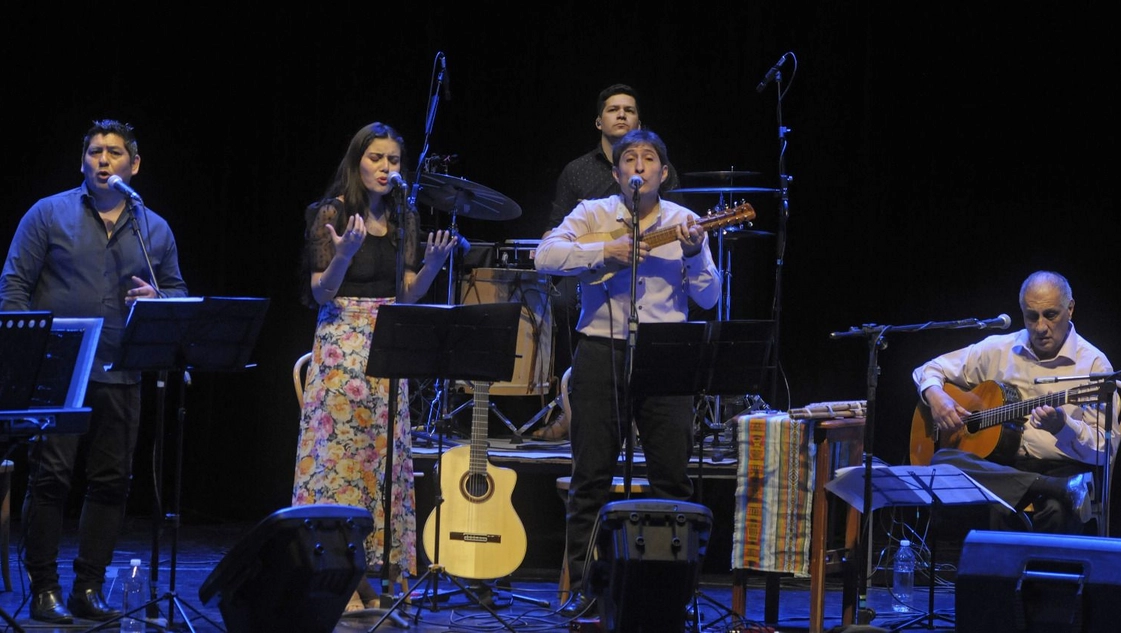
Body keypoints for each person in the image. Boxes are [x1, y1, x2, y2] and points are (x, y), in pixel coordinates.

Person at [0, 119, 188, 624]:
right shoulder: (48, 213)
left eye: (115, 152)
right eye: (95, 152)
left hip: (121, 367)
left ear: (134, 164)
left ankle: (89, 587)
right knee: (51, 479)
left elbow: (176, 292)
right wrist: (27, 354)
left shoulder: (154, 229)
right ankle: (44, 589)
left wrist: (158, 297)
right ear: (82, 160)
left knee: (111, 481)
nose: (104, 160)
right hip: (58, 370)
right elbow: (13, 286)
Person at [534, 128, 720, 616]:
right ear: (617, 174)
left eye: (649, 158)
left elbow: (708, 298)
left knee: (672, 478)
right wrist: (604, 253)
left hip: (666, 352)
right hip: (600, 349)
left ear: (663, 172)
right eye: (629, 159)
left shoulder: (685, 222)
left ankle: (670, 596)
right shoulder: (592, 213)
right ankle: (587, 594)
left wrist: (695, 251)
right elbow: (544, 255)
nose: (639, 165)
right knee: (590, 477)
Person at [291, 122, 456, 611]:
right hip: (341, 348)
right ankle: (334, 575)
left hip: (388, 345)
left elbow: (406, 294)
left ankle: (367, 573)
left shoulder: (404, 218)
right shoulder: (333, 212)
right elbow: (321, 291)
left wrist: (433, 265)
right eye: (376, 158)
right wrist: (343, 254)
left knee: (381, 465)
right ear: (356, 161)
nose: (386, 168)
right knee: (339, 465)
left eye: (394, 161)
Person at [913, 270, 1118, 534]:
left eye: (1050, 315)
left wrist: (1063, 427)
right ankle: (1051, 487)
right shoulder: (999, 349)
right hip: (1002, 468)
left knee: (1054, 510)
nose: (1040, 327)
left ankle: (1056, 488)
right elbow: (929, 369)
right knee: (943, 460)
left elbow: (1104, 451)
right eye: (1032, 316)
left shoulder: (1094, 364)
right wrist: (936, 396)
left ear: (1070, 309)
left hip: (1063, 467)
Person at [532, 83, 682, 441]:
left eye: (629, 110)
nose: (622, 115)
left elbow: (667, 218)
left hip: (649, 278)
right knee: (562, 303)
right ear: (599, 121)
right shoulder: (578, 171)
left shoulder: (664, 179)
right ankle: (569, 401)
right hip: (589, 268)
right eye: (614, 109)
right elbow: (552, 235)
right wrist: (601, 252)